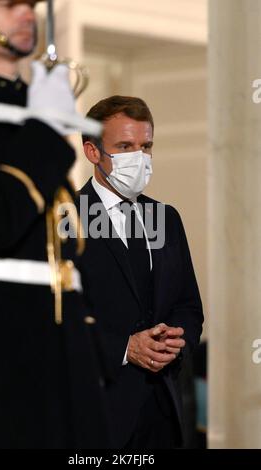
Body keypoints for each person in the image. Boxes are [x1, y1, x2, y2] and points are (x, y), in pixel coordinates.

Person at [0, 0, 109, 449]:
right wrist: (45, 130)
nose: (28, 15)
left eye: (30, 5)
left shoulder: (26, 106)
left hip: (59, 351)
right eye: (10, 5)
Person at [80, 95, 204, 449]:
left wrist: (175, 341)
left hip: (163, 407)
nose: (139, 157)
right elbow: (47, 320)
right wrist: (124, 348)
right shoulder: (62, 219)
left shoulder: (166, 218)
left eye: (146, 145)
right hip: (99, 408)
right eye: (125, 146)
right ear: (93, 152)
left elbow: (188, 305)